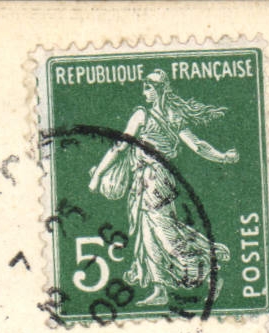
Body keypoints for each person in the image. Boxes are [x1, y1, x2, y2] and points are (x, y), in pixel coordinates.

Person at [87, 69, 238, 306]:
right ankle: (160, 291)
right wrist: (223, 157)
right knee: (148, 237)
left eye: (148, 88)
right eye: (144, 87)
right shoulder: (167, 115)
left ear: (159, 90)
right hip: (145, 181)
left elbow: (195, 145)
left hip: (155, 181)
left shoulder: (145, 115)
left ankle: (211, 272)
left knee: (167, 235)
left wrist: (98, 174)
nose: (144, 92)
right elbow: (122, 146)